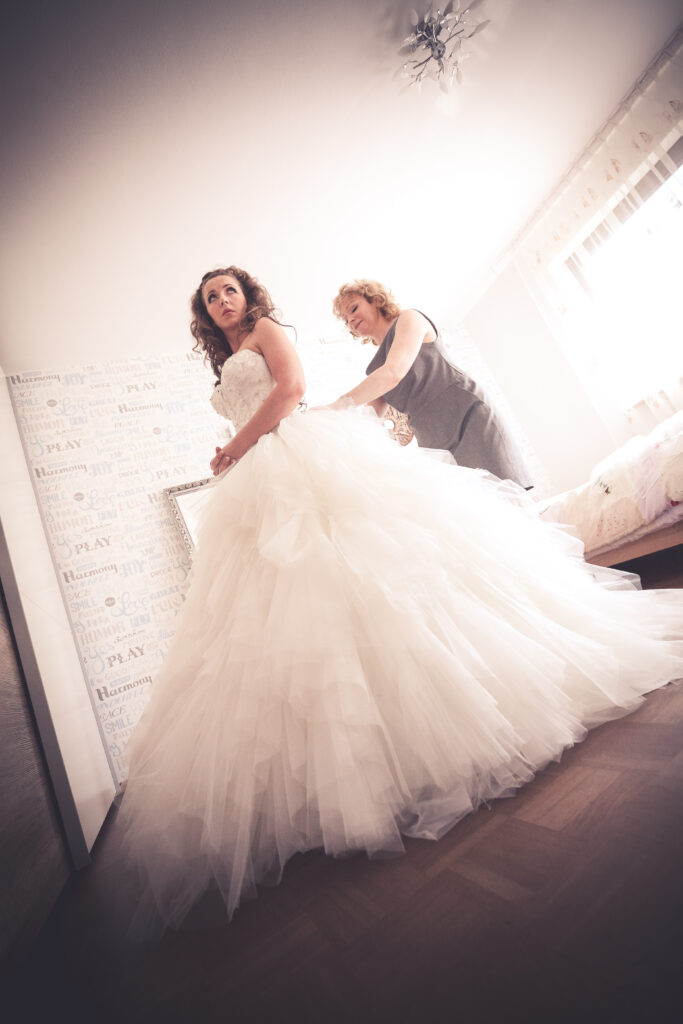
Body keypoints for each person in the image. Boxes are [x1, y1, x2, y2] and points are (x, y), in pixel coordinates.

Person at [119, 265, 683, 936]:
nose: (220, 301)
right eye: (210, 296)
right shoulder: (229, 356)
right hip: (256, 475)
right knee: (281, 609)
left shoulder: (268, 330)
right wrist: (242, 449)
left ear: (248, 296)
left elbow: (292, 390)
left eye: (227, 290)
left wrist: (238, 445)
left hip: (286, 454)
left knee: (376, 568)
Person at [330, 279, 533, 488]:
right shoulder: (376, 369)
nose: (350, 320)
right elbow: (370, 419)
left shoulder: (410, 318)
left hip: (467, 416)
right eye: (345, 320)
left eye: (353, 309)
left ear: (375, 300)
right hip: (433, 439)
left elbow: (394, 372)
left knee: (507, 493)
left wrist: (337, 405)